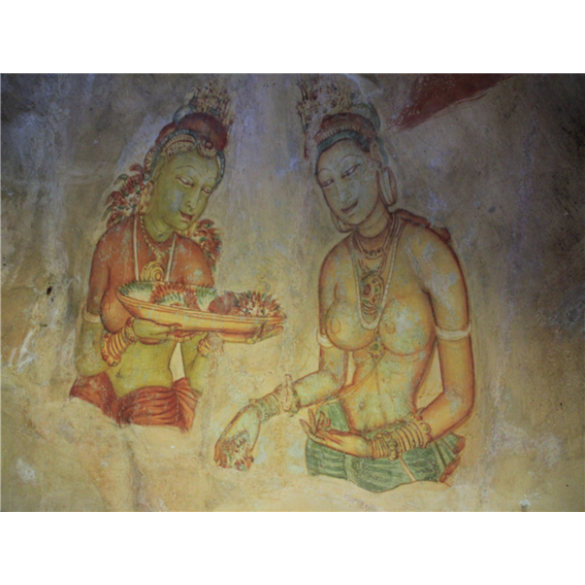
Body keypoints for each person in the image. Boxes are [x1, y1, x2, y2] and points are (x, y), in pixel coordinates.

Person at [215, 84, 475, 493]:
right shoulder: (334, 267)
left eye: (351, 172)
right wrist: (258, 411)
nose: (341, 193)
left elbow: (459, 396)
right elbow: (331, 375)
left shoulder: (429, 255)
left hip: (400, 450)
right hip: (333, 436)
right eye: (328, 182)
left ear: (377, 163)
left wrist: (379, 446)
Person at [68, 86, 233, 510]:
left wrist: (211, 338)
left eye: (205, 190)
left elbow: (197, 378)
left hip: (153, 399)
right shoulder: (112, 244)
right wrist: (128, 335)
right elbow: (85, 361)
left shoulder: (194, 263)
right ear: (157, 172)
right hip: (96, 391)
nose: (194, 202)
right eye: (186, 182)